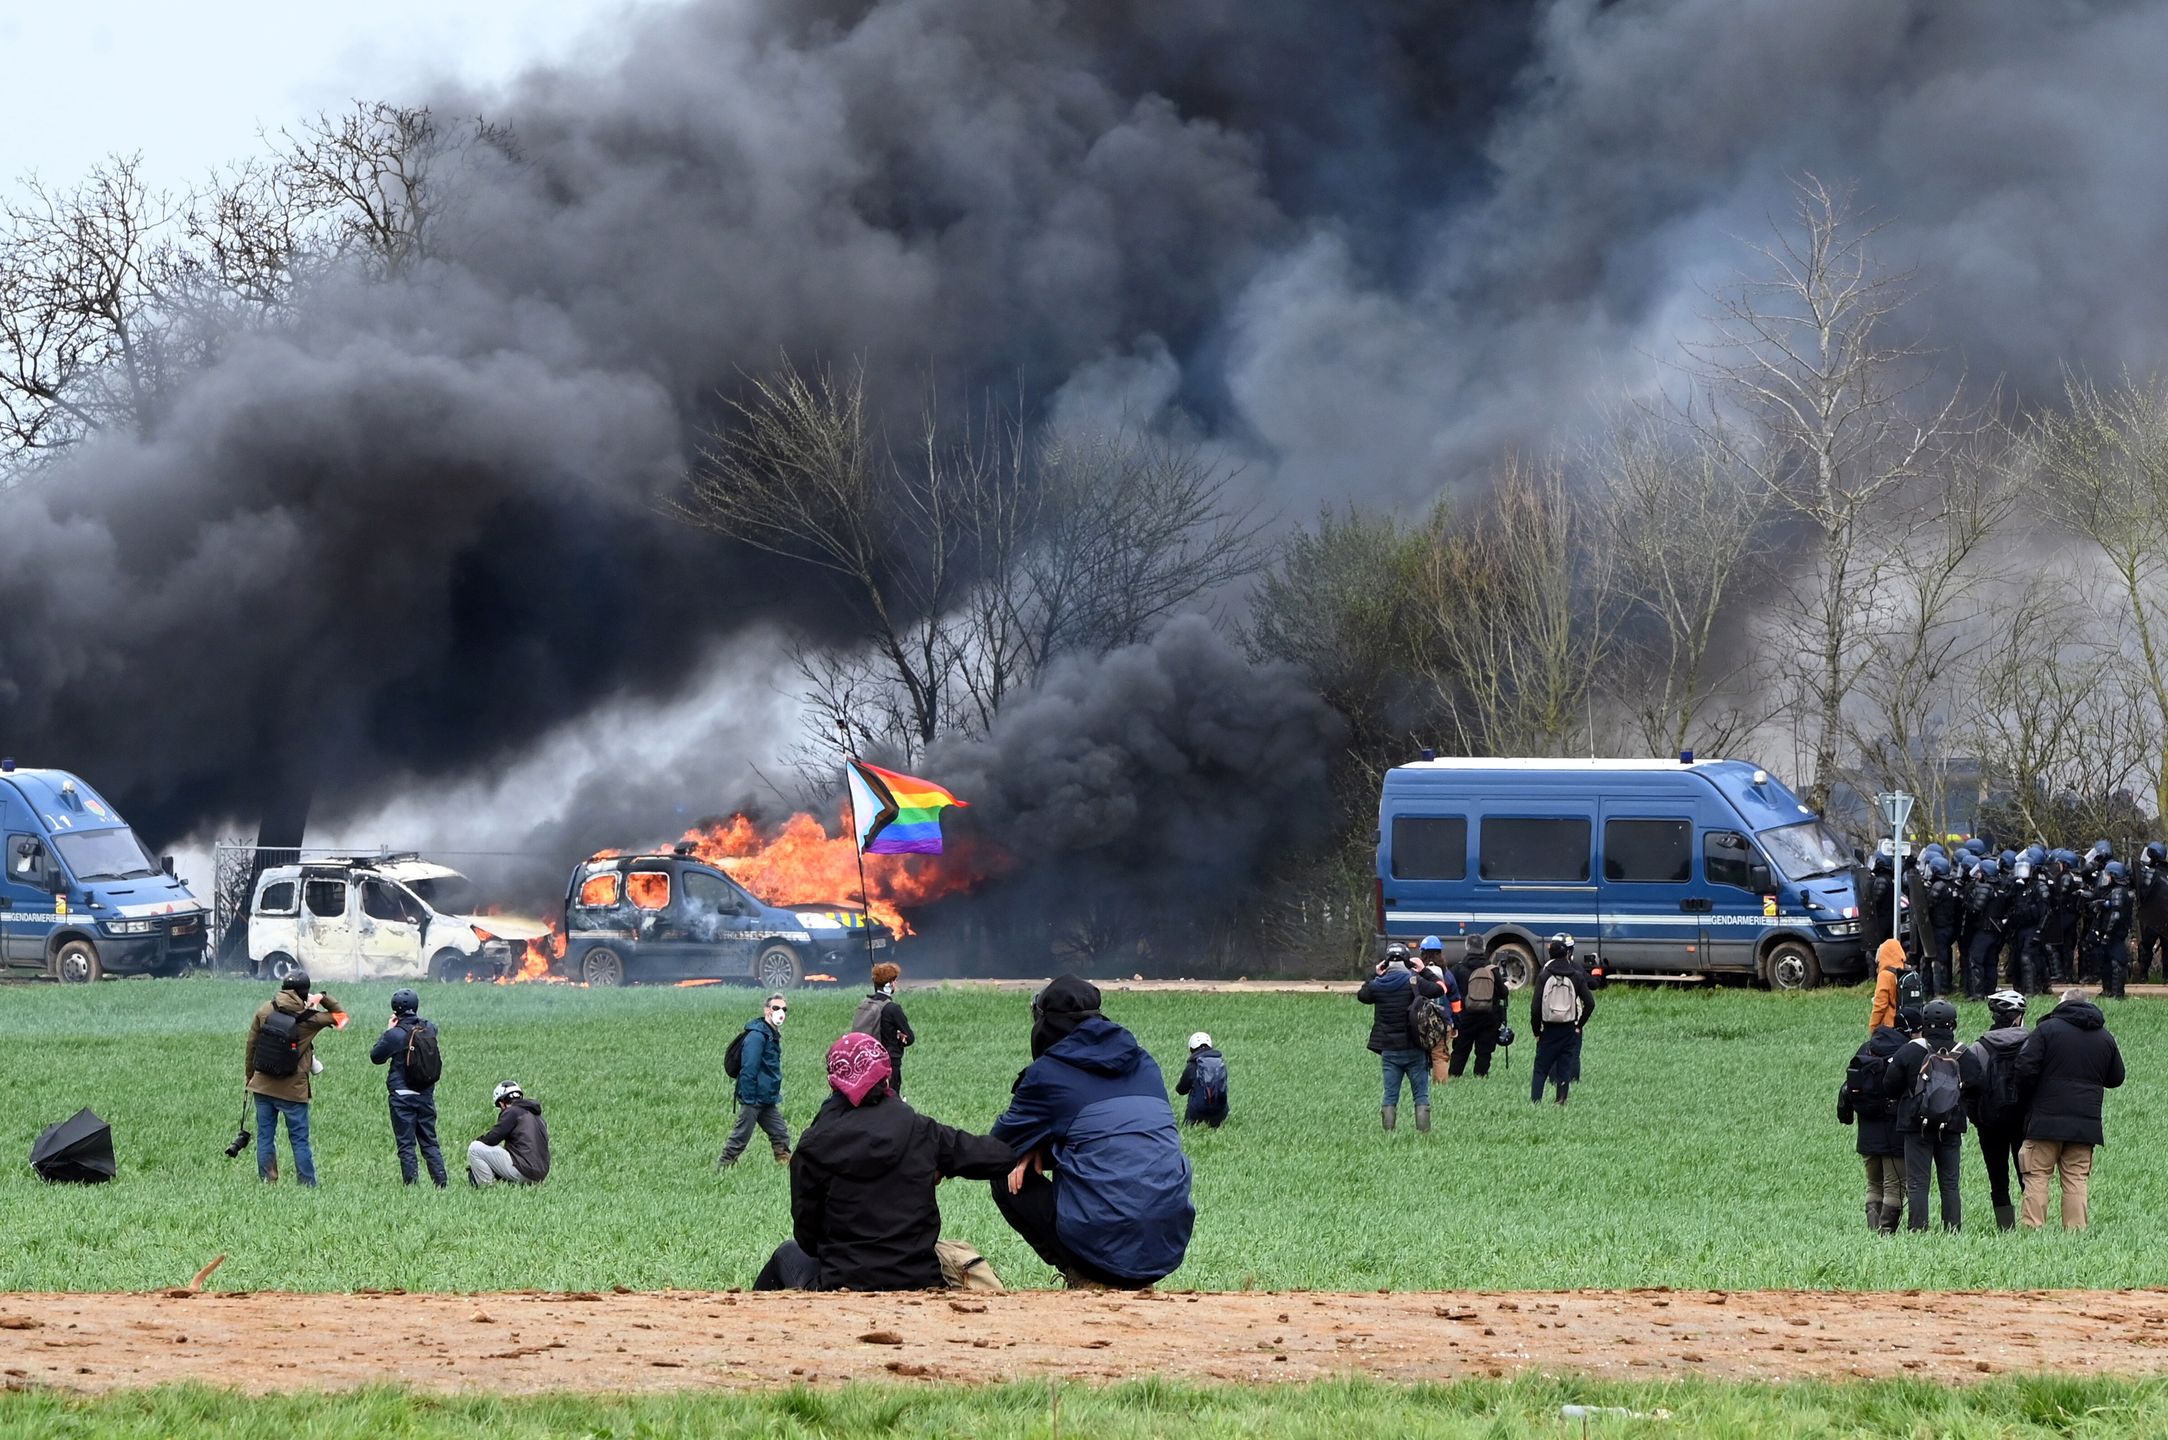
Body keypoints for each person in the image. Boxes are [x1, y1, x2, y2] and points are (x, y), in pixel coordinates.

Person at [755, 1033, 1015, 1291]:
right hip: (918, 1280)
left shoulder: (813, 1146)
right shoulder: (921, 1130)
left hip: (842, 1284)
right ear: (886, 1076)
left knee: (786, 1254)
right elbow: (998, 1157)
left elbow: (807, 1238)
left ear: (832, 1083)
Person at [988, 976, 1194, 1289]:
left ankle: (1084, 1274)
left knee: (1005, 1173)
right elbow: (1110, 1138)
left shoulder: (1046, 1074)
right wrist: (1046, 1149)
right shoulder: (1144, 1062)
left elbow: (997, 1147)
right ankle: (1118, 1274)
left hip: (1102, 1246)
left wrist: (1033, 1148)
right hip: (1166, 1243)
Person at [2013, 986, 2126, 1230]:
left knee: (2037, 1176)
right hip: (2085, 1124)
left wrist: (2029, 1095)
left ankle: (2033, 1228)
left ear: (2062, 1004)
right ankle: (2075, 1233)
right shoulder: (2104, 1037)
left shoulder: (2046, 1030)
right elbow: (2116, 1078)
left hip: (2045, 1120)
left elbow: (2024, 1068)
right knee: (2076, 1178)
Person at [243, 971, 344, 1186]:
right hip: (293, 1090)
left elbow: (251, 1046)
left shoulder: (265, 1010)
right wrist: (323, 997)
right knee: (299, 1140)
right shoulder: (310, 1019)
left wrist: (250, 1077)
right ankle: (307, 1185)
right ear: (304, 992)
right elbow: (342, 1018)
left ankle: (267, 1182)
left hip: (262, 1085)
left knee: (264, 1137)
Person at [1884, 999, 1977, 1232]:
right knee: (1950, 1183)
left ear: (1924, 1023)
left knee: (1917, 1183)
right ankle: (1952, 1229)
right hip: (1952, 1124)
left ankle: (1918, 1229)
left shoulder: (1909, 1051)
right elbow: (1980, 1084)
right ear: (1953, 1024)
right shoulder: (1963, 1053)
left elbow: (1889, 1085)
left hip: (1916, 1124)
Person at [1838, 1005, 1916, 1233]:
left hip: (1866, 1132)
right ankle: (1886, 1232)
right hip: (1895, 1133)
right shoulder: (1905, 1052)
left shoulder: (1866, 1048)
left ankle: (1872, 1230)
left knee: (1873, 1184)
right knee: (1894, 1185)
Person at [1357, 943, 1443, 1131]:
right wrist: (1423, 970)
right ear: (1406, 961)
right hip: (1414, 1047)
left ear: (1387, 963)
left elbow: (1362, 995)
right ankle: (1424, 1133)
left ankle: (1388, 1132)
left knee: (1390, 1094)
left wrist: (1375, 973)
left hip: (1389, 1049)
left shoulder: (1377, 985)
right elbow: (1440, 988)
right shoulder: (1414, 981)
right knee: (1421, 1095)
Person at [367, 987, 447, 1188]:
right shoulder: (429, 1028)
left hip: (402, 1095)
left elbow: (376, 1057)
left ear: (395, 1009)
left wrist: (389, 1029)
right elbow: (430, 1026)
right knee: (429, 1141)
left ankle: (411, 1186)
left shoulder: (395, 1035)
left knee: (406, 1144)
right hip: (425, 1093)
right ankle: (441, 1183)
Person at [1966, 990, 2030, 1230]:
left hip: (1990, 1124)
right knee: (2029, 1178)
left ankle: (2006, 1227)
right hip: (2024, 1122)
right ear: (2017, 1017)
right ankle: (2031, 1223)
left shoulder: (1979, 1048)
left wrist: (1978, 1119)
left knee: (1998, 1179)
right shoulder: (2032, 1043)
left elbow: (1970, 1089)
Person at [719, 994, 792, 1168]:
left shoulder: (771, 1035)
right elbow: (749, 1068)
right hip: (754, 1098)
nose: (780, 1012)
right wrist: (749, 1098)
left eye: (784, 1009)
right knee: (740, 1137)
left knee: (780, 1134)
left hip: (767, 1098)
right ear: (766, 1010)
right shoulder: (757, 1036)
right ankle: (722, 1167)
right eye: (776, 1008)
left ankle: (785, 1167)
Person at [1529, 934, 1594, 1106]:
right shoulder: (1576, 975)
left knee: (1541, 1068)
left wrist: (1537, 1031)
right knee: (1565, 1067)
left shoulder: (1543, 975)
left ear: (1550, 955)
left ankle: (1536, 1102)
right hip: (1569, 1028)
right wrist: (1579, 1025)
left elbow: (1535, 1008)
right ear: (1567, 954)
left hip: (1548, 1028)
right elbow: (1590, 1003)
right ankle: (1561, 1100)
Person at [468, 1081, 551, 1186]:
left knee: (475, 1148)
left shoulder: (512, 1112)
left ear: (502, 1102)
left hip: (524, 1170)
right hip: (540, 1174)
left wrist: (480, 1140)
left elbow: (493, 1138)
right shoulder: (537, 1116)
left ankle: (486, 1187)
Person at [850, 961, 914, 1095]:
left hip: (870, 1061)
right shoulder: (892, 1008)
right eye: (894, 981)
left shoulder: (866, 1003)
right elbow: (910, 1038)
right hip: (890, 1061)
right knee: (891, 1097)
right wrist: (900, 1037)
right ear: (889, 985)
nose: (896, 984)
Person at [1450, 939, 1508, 1078]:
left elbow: (1451, 992)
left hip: (1465, 1016)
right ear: (1483, 948)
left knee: (1460, 1049)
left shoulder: (1458, 969)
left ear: (1467, 947)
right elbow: (1503, 993)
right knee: (1484, 1050)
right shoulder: (1492, 969)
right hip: (1489, 1016)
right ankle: (1480, 1075)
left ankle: (1454, 1074)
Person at [1175, 1032, 1229, 1128]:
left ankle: (1191, 1124)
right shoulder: (1220, 1064)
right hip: (1220, 1111)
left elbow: (1181, 1090)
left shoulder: (1193, 1065)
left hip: (1198, 1111)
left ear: (1191, 1048)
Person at [1865, 938, 1918, 1033]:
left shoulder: (1885, 975)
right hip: (1908, 1024)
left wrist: (1873, 1027)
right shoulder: (1907, 972)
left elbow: (1880, 1005)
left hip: (1890, 1026)